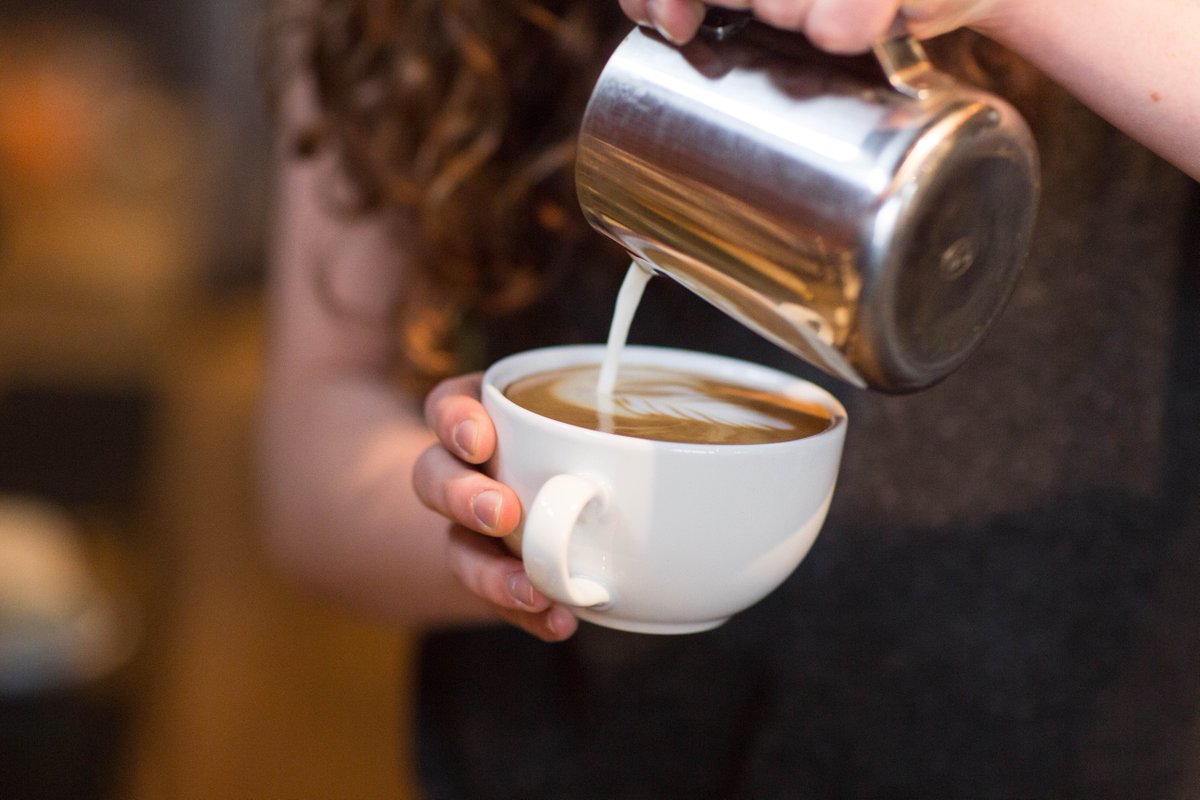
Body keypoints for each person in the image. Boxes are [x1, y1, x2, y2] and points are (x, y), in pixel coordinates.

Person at [259, 1, 1200, 796]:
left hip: (1079, 739)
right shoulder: (411, 23)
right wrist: (501, 523)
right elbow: (315, 430)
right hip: (573, 753)